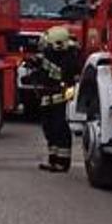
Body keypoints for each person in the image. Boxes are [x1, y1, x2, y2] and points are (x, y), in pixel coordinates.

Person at [23, 25, 81, 172]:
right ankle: (53, 159)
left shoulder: (70, 59)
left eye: (47, 45)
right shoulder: (50, 58)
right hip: (48, 98)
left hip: (60, 99)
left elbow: (61, 75)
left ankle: (63, 161)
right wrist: (32, 73)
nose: (44, 49)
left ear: (58, 45)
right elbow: (44, 75)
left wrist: (43, 63)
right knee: (49, 129)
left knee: (59, 129)